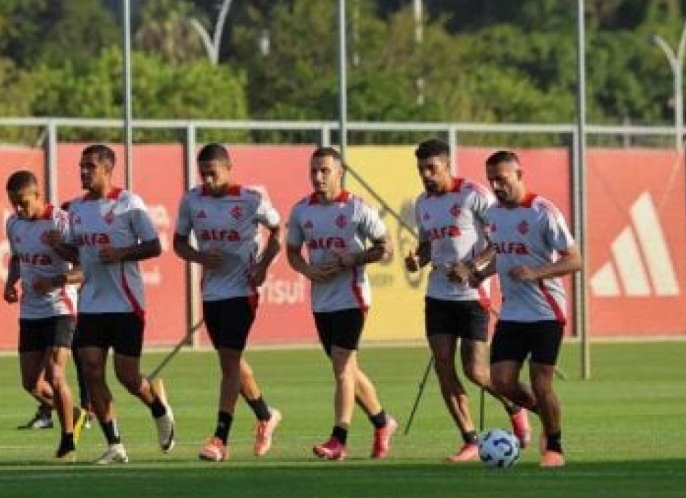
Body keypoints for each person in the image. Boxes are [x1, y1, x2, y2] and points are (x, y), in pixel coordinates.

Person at [404, 139, 531, 462]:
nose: (426, 175)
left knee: (476, 371)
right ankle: (470, 439)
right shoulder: (422, 203)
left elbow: (499, 238)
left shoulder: (474, 194)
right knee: (444, 367)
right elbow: (426, 246)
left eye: (431, 168)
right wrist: (417, 260)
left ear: (447, 166)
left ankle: (515, 406)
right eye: (421, 170)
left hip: (473, 293)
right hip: (438, 295)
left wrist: (473, 266)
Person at [48, 144, 175, 464]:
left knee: (127, 376)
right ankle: (115, 444)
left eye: (89, 166)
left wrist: (120, 254)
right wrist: (59, 247)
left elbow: (154, 246)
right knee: (91, 372)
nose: (83, 171)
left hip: (126, 303)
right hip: (90, 303)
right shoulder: (75, 208)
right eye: (81, 166)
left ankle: (159, 408)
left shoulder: (128, 203)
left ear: (107, 168)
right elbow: (79, 253)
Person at [461, 150, 581, 469]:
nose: (496, 186)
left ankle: (554, 447)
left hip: (546, 311)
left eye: (502, 179)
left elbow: (575, 259)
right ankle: (546, 415)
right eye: (491, 180)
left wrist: (535, 273)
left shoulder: (543, 213)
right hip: (513, 312)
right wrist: (481, 274)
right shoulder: (496, 215)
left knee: (541, 382)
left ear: (519, 174)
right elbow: (503, 254)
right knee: (501, 381)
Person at [172, 143, 284, 462]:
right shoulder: (192, 200)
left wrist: (262, 266)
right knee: (230, 361)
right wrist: (198, 256)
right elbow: (179, 243)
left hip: (242, 292)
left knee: (229, 362)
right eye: (203, 174)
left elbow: (279, 230)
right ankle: (266, 415)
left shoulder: (250, 199)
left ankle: (220, 438)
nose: (207, 180)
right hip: (211, 292)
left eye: (213, 174)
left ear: (228, 167)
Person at [285, 146, 397, 461]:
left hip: (352, 295)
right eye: (314, 171)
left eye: (325, 171)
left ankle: (339, 439)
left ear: (339, 173)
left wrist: (353, 259)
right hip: (322, 301)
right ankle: (382, 422)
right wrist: (307, 270)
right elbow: (292, 252)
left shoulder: (356, 208)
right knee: (347, 368)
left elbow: (385, 248)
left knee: (341, 366)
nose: (318, 177)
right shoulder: (301, 210)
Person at [3, 170, 85, 460]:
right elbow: (16, 257)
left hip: (60, 307)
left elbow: (85, 265)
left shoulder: (60, 221)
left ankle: (67, 441)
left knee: (55, 372)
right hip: (30, 310)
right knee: (31, 382)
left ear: (38, 195)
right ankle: (73, 413)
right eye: (14, 203)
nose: (19, 209)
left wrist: (57, 255)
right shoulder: (13, 223)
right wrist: (10, 282)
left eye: (24, 202)